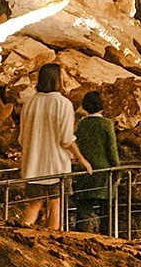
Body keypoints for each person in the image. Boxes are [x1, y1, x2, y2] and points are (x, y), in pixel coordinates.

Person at [18, 63, 93, 229]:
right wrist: (81, 158)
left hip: (32, 165)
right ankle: (52, 239)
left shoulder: (29, 103)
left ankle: (21, 234)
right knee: (56, 204)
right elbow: (66, 139)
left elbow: (22, 138)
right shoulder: (63, 103)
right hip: (56, 165)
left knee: (34, 204)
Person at [72, 90, 120, 233]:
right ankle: (107, 240)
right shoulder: (107, 124)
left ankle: (81, 239)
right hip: (104, 172)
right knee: (106, 212)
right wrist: (117, 171)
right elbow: (112, 149)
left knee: (84, 209)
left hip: (85, 170)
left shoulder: (82, 124)